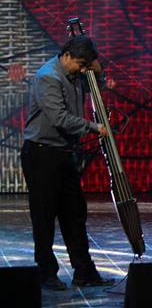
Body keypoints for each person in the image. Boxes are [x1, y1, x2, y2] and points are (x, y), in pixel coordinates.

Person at [20, 35, 112, 290]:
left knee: (74, 214)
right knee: (45, 216)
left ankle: (84, 271)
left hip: (63, 152)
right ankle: (46, 273)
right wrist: (93, 127)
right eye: (81, 64)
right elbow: (59, 117)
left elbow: (95, 88)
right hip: (42, 153)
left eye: (86, 66)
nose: (83, 70)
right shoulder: (48, 76)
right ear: (67, 55)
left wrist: (97, 71)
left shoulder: (76, 74)